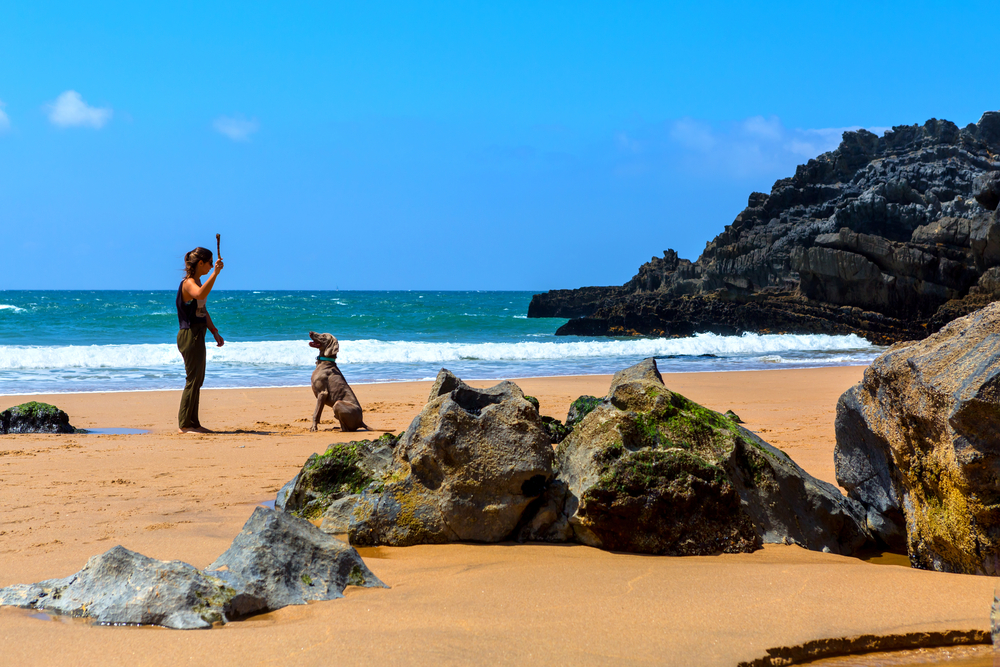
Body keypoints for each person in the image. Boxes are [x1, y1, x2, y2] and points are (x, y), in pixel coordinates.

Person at [176, 247, 224, 433]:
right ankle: (185, 424)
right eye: (210, 262)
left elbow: (202, 310)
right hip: (189, 334)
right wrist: (216, 273)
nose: (212, 265)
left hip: (198, 333)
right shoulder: (189, 283)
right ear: (201, 263)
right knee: (193, 379)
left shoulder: (198, 281)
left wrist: (214, 331)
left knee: (198, 379)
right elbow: (201, 294)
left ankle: (193, 423)